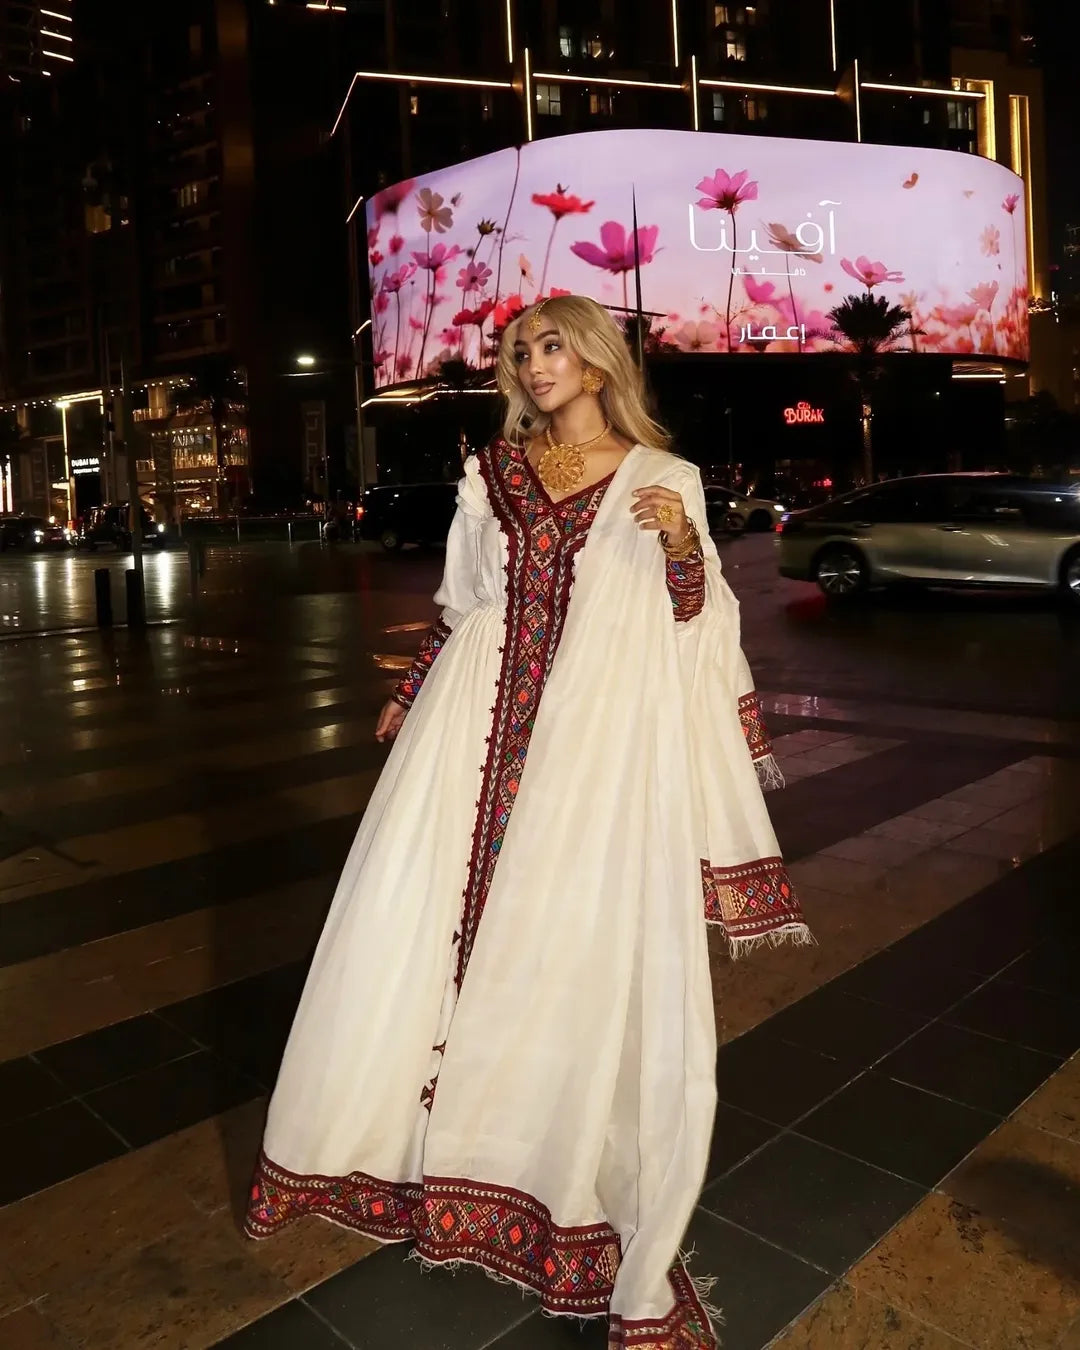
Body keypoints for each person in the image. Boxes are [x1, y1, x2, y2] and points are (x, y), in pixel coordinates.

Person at [245, 294, 810, 1349]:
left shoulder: (665, 481)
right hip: (471, 730)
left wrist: (685, 546)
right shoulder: (493, 473)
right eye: (520, 351)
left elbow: (698, 623)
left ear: (596, 363)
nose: (534, 364)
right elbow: (463, 603)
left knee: (561, 953)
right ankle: (407, 1152)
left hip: (589, 754)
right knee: (418, 934)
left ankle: (536, 1159)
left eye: (552, 346)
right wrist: (413, 691)